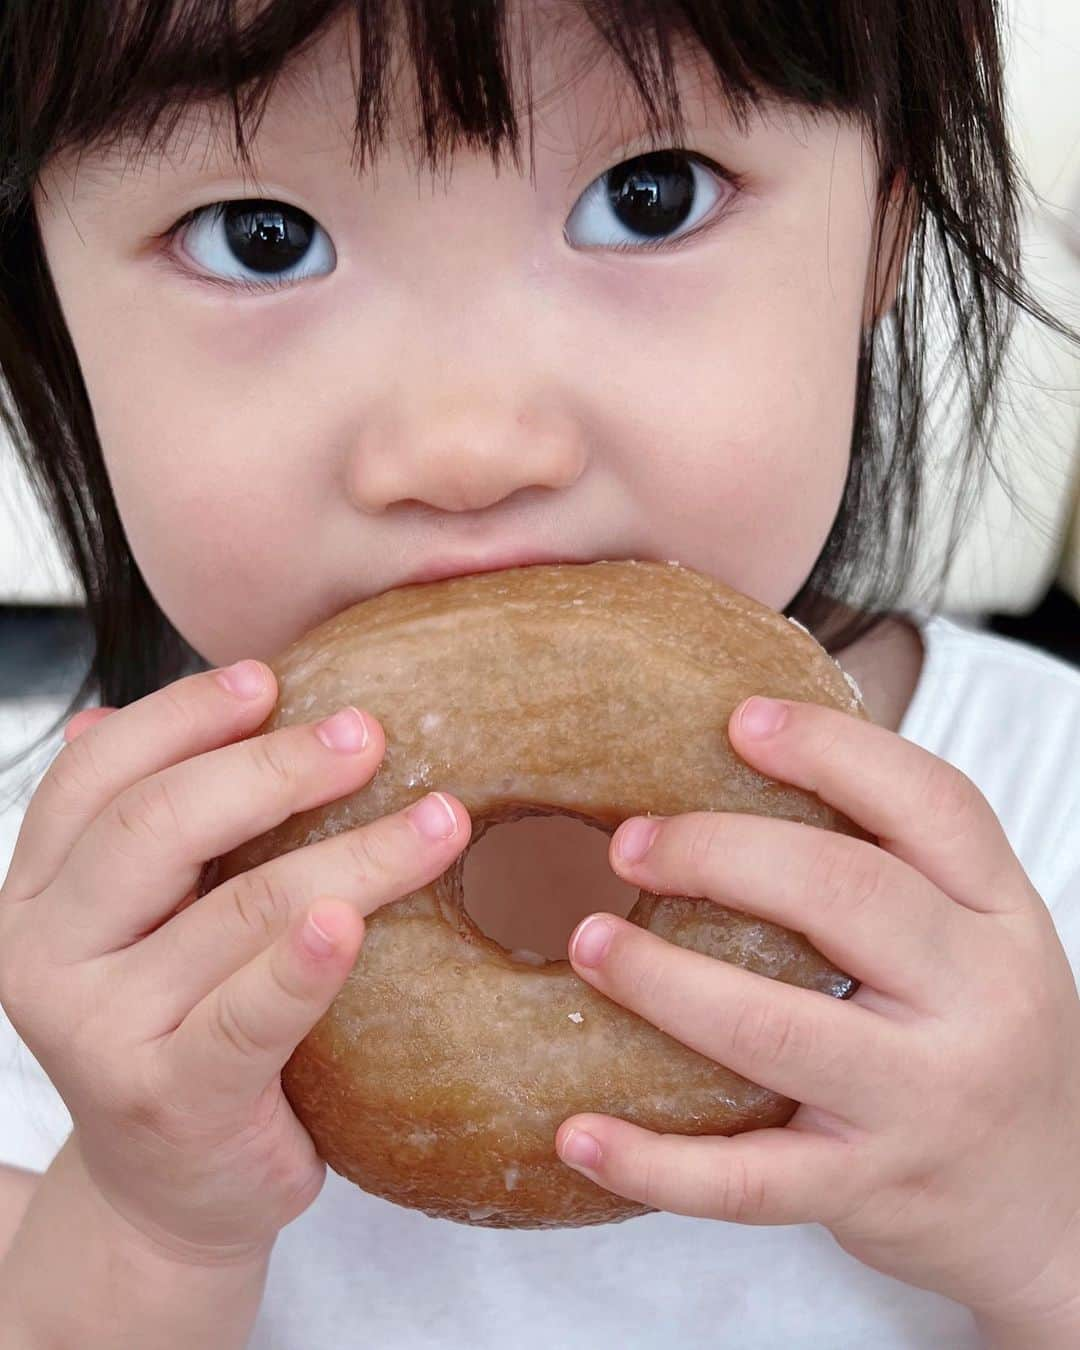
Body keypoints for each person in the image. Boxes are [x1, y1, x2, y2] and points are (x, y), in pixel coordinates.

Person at [0, 1, 1078, 1346]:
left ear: (884, 232)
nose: (470, 443)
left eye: (649, 195)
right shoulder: (81, 925)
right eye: (260, 238)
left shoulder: (1056, 810)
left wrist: (1047, 1216)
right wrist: (142, 1217)